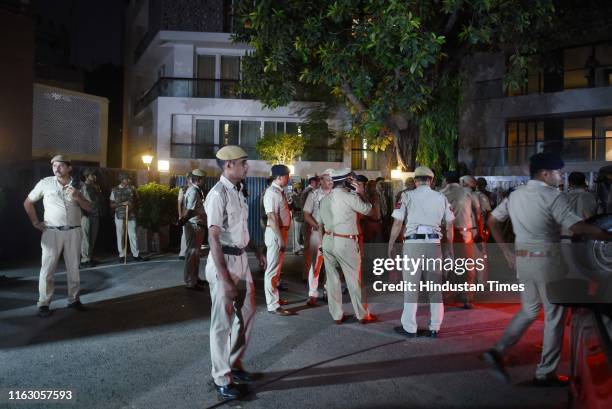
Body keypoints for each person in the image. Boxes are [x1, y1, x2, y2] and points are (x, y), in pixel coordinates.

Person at [483, 152, 612, 387]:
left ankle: (497, 350)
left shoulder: (515, 195)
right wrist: (606, 235)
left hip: (523, 261)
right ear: (545, 174)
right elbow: (579, 227)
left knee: (530, 310)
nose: (560, 176)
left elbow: (492, 221)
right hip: (548, 262)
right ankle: (545, 373)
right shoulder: (553, 196)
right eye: (558, 172)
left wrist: (505, 251)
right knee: (554, 316)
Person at [204, 145, 266, 400]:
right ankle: (221, 377)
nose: (246, 166)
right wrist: (225, 279)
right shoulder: (218, 194)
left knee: (248, 312)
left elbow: (239, 230)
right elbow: (214, 239)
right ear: (228, 165)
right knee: (222, 323)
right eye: (243, 162)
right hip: (224, 263)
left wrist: (255, 249)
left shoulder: (239, 190)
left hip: (241, 258)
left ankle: (234, 363)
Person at [388, 166, 455, 338]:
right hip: (434, 244)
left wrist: (390, 244)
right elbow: (449, 225)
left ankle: (410, 327)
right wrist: (450, 247)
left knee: (411, 287)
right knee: (435, 289)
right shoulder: (441, 197)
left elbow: (397, 223)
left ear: (416, 180)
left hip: (413, 244)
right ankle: (435, 327)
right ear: (431, 181)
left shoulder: (407, 196)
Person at [23, 155, 92, 318]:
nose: (56, 168)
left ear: (69, 168)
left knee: (74, 268)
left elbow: (89, 208)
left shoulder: (79, 185)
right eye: (54, 166)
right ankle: (43, 303)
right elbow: (27, 202)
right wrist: (35, 222)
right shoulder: (45, 183)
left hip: (74, 231)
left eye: (60, 166)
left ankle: (74, 300)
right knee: (47, 269)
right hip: (51, 232)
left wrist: (78, 197)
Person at [318, 168, 377, 324]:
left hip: (328, 239)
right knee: (353, 279)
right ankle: (362, 315)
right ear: (348, 181)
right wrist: (362, 193)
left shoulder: (324, 199)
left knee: (332, 280)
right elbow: (371, 212)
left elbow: (320, 222)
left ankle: (337, 315)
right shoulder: (350, 197)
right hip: (345, 242)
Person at [441, 171, 481, 309]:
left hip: (445, 233)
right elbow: (478, 212)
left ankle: (447, 294)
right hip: (465, 233)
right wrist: (480, 231)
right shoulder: (467, 192)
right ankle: (467, 297)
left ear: (446, 180)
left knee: (447, 263)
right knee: (468, 264)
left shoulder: (440, 193)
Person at [263, 164, 294, 316]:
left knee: (276, 269)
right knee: (272, 270)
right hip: (276, 233)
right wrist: (280, 238)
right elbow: (272, 217)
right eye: (287, 175)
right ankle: (273, 305)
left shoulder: (278, 192)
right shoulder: (272, 193)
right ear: (280, 177)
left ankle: (275, 300)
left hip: (280, 232)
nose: (289, 178)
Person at [302, 169, 333, 306]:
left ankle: (327, 290)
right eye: (327, 180)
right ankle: (312, 293)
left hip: (332, 233)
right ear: (321, 181)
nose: (330, 182)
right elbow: (306, 214)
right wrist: (317, 225)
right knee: (315, 265)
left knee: (331, 265)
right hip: (317, 233)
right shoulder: (314, 195)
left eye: (332, 180)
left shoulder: (336, 194)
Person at [178, 169, 207, 291]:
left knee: (195, 254)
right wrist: (183, 221)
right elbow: (189, 210)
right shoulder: (194, 191)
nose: (204, 181)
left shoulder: (197, 190)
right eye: (203, 179)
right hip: (194, 225)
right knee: (192, 254)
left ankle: (195, 278)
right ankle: (190, 281)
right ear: (198, 179)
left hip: (197, 224)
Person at [110, 172, 146, 262]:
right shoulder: (114, 190)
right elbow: (111, 204)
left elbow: (138, 200)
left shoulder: (132, 188)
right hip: (119, 215)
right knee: (120, 235)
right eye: (127, 179)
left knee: (133, 234)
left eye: (129, 178)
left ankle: (136, 254)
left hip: (131, 214)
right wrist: (122, 203)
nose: (129, 180)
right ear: (122, 180)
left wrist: (138, 210)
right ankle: (121, 255)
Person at [80, 167, 101, 267]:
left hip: (95, 214)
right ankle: (85, 260)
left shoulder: (95, 187)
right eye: (92, 175)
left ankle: (89, 257)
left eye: (95, 175)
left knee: (92, 237)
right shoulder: (83, 186)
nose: (95, 177)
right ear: (87, 176)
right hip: (86, 215)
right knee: (86, 238)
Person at [177, 172, 191, 260]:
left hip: (193, 214)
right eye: (188, 178)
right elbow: (179, 203)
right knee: (185, 234)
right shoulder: (183, 189)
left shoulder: (196, 189)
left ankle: (190, 252)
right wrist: (180, 215)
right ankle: (182, 253)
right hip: (185, 214)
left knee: (193, 234)